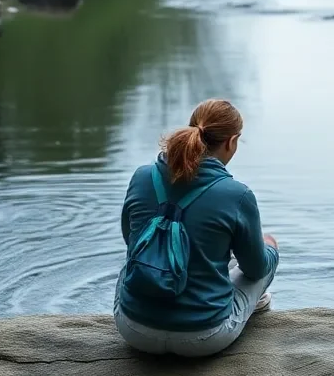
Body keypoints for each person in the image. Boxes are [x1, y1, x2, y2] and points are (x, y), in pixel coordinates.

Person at [114, 98, 279, 357]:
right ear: (231, 141)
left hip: (134, 330)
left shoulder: (142, 176)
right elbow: (256, 269)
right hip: (205, 337)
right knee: (264, 251)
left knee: (133, 259)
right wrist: (270, 249)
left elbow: (130, 239)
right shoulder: (238, 195)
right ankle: (252, 304)